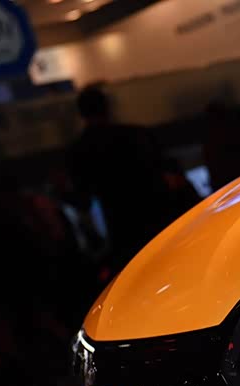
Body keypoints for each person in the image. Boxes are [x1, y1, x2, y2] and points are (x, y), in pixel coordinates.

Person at [68, 85, 172, 270]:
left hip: (121, 231)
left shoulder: (80, 151)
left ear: (81, 113)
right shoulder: (137, 135)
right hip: (156, 217)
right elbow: (164, 173)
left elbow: (83, 201)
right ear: (107, 107)